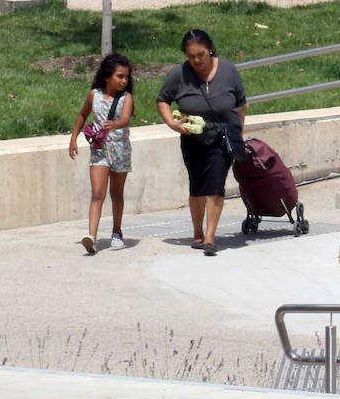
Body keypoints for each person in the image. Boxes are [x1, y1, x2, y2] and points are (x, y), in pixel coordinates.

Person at [156, 30, 247, 257]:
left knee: (215, 184)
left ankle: (210, 237)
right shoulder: (180, 74)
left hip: (222, 136)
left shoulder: (229, 70)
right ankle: (197, 232)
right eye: (191, 56)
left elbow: (241, 103)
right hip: (192, 137)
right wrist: (172, 123)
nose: (196, 60)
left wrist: (237, 132)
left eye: (201, 54)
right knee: (197, 185)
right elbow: (162, 100)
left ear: (210, 50)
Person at [68, 53, 134, 254]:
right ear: (107, 77)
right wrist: (73, 138)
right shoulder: (94, 96)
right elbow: (82, 115)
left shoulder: (126, 97)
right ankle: (92, 236)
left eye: (126, 77)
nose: (124, 81)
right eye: (119, 76)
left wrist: (116, 124)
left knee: (116, 194)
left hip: (120, 151)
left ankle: (116, 232)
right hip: (100, 152)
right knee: (97, 194)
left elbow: (126, 118)